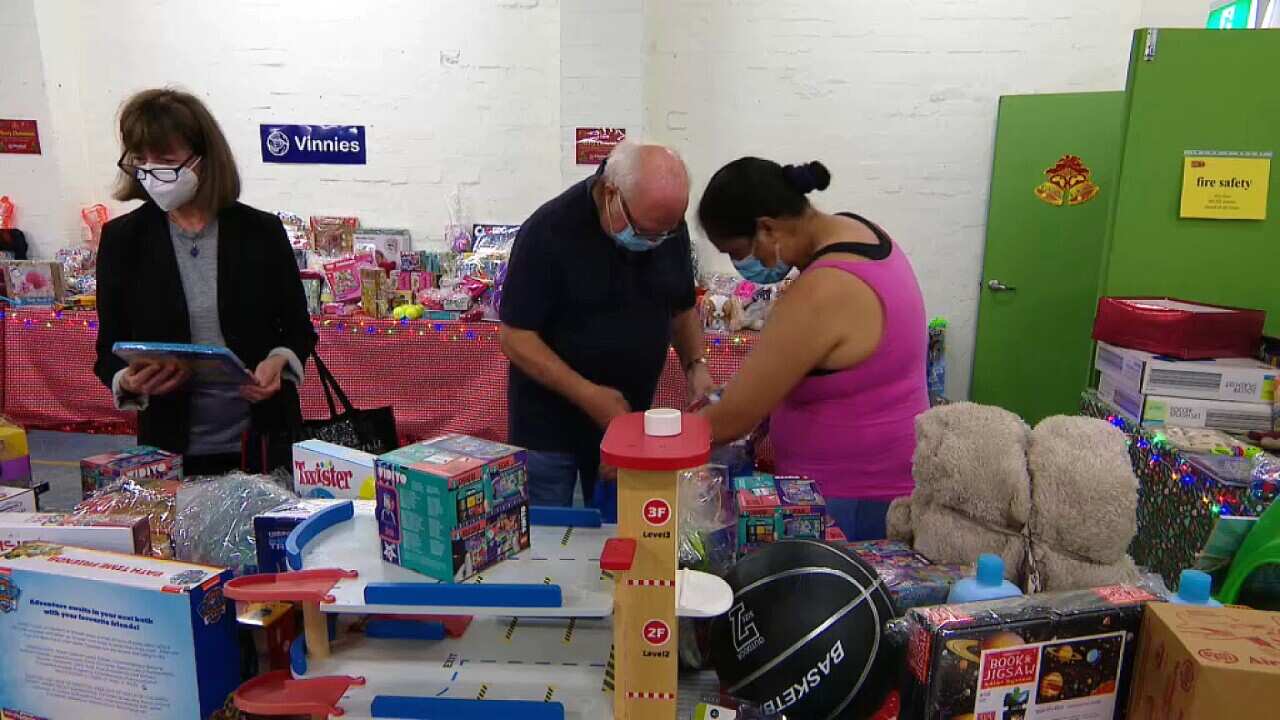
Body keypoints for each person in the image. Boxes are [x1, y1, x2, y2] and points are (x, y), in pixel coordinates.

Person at [698, 157, 929, 540]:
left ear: (767, 228)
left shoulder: (824, 289)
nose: (740, 265)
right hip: (885, 480)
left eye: (737, 252)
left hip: (850, 499)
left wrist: (647, 445)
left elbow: (730, 420)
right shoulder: (858, 232)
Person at [94, 88, 317, 476]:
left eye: (165, 161)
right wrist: (128, 380)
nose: (151, 174)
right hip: (170, 446)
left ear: (203, 160)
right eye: (140, 161)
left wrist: (279, 361)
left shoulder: (260, 232)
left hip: (263, 439)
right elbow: (107, 350)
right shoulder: (122, 241)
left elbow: (298, 328)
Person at [500, 142, 715, 507]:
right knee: (548, 541)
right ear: (611, 194)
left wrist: (696, 366)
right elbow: (516, 337)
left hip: (631, 421)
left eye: (666, 232)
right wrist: (588, 395)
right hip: (550, 431)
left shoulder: (666, 228)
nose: (655, 242)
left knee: (625, 534)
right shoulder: (549, 230)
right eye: (645, 232)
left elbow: (681, 308)